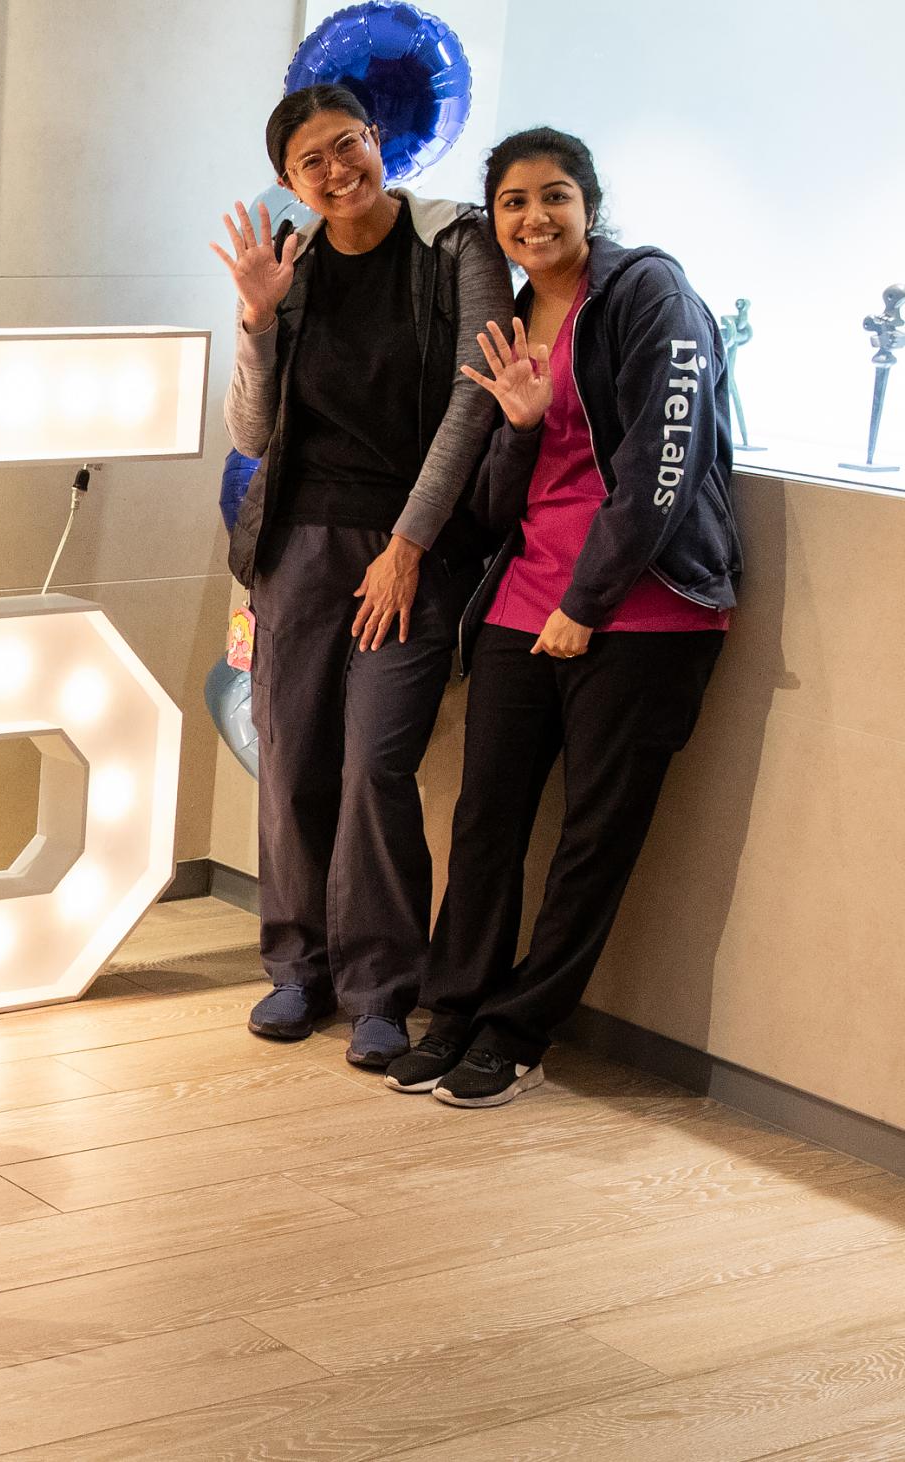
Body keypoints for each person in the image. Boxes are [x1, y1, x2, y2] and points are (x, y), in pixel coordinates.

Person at [387, 129, 741, 1107]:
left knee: (593, 838)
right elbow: (500, 503)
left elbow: (662, 467)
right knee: (485, 820)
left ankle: (517, 1031)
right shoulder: (510, 320)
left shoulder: (649, 294)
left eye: (553, 196)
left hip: (644, 611)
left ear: (589, 204)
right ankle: (455, 1009)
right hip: (522, 601)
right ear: (493, 219)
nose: (533, 217)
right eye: (512, 201)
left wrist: (586, 603)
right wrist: (520, 424)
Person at [210, 84, 512, 1068]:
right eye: (312, 162)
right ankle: (298, 968)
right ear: (290, 179)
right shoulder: (289, 261)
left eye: (348, 146)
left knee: (376, 763)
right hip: (297, 545)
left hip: (413, 551)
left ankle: (381, 986)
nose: (337, 172)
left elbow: (473, 401)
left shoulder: (454, 245)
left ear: (378, 140)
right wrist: (255, 320)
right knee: (291, 757)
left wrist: (407, 545)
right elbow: (250, 431)